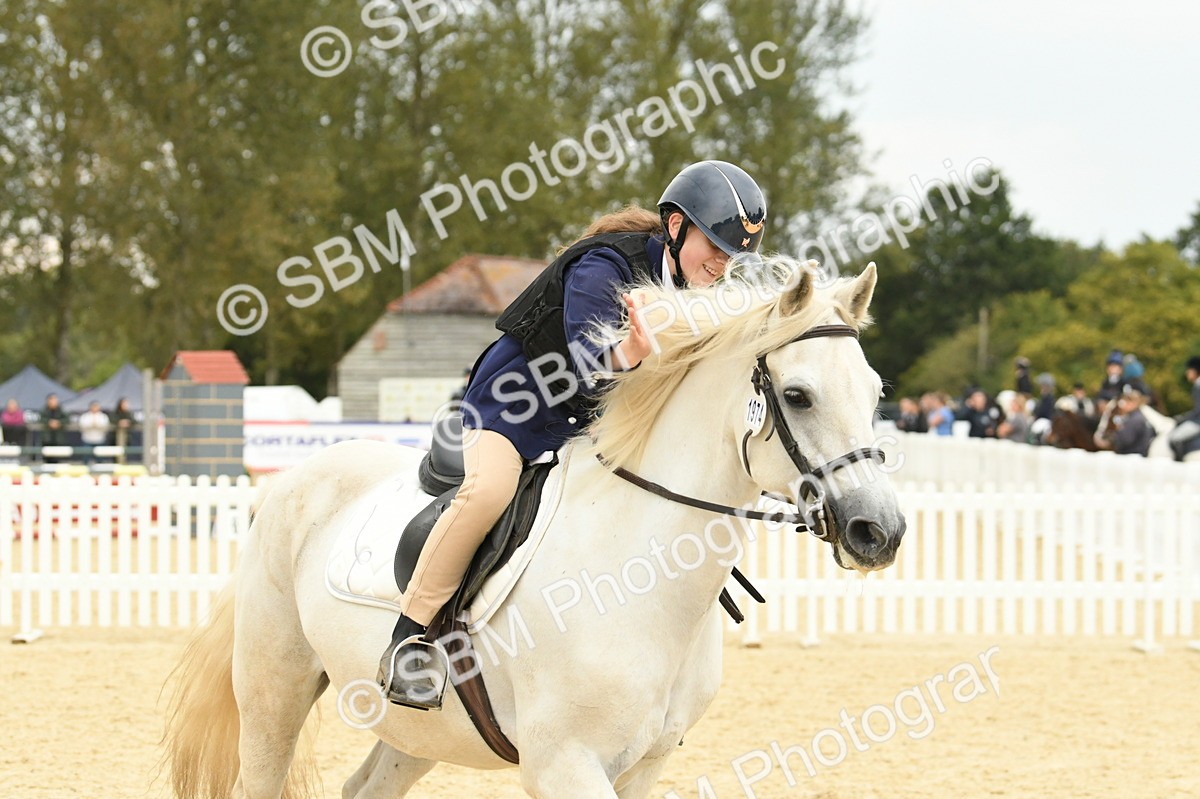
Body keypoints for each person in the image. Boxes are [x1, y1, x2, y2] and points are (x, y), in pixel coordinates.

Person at [377, 160, 768, 709]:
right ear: (677, 226)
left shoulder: (693, 285)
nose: (722, 264)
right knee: (489, 492)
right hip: (513, 406)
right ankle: (411, 637)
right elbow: (586, 360)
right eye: (716, 246)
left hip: (587, 421)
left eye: (732, 256)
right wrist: (629, 350)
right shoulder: (603, 266)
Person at [1097, 387, 1155, 456]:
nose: (1124, 404)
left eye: (1128, 401)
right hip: (1137, 456)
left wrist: (1111, 439)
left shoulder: (1135, 419)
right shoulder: (1136, 416)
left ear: (1134, 403)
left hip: (1132, 457)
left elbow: (1124, 440)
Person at [1168, 355, 1200, 461]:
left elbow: (1198, 410)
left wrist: (1183, 418)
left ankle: (1180, 463)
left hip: (1198, 422)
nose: (1187, 373)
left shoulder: (1198, 386)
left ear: (1195, 371)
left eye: (1189, 370)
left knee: (1174, 438)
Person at [41, 393, 67, 463]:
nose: (53, 401)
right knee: (47, 456)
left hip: (58, 438)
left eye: (55, 399)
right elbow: (41, 419)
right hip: (47, 438)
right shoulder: (44, 410)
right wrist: (49, 422)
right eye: (51, 400)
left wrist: (59, 423)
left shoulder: (61, 409)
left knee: (57, 457)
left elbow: (67, 419)